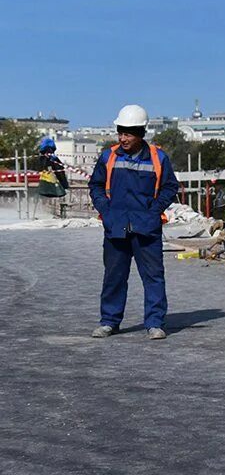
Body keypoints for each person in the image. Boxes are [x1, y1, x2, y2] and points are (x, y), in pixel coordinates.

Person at [87, 104, 179, 340]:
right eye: (120, 132)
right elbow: (96, 186)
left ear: (141, 133)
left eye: (128, 133)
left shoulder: (159, 158)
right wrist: (106, 211)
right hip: (116, 226)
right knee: (114, 276)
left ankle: (155, 322)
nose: (123, 138)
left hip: (146, 228)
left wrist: (154, 210)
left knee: (153, 276)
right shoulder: (108, 156)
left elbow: (170, 187)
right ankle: (109, 321)